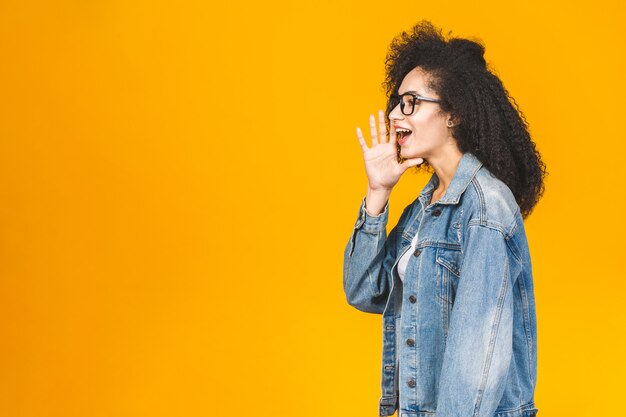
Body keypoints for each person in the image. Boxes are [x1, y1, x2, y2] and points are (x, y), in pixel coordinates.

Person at [343, 21, 546, 417]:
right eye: (397, 102)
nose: (396, 115)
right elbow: (365, 292)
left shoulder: (486, 207)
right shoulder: (422, 210)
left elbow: (477, 354)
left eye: (411, 102)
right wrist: (377, 193)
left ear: (453, 114)